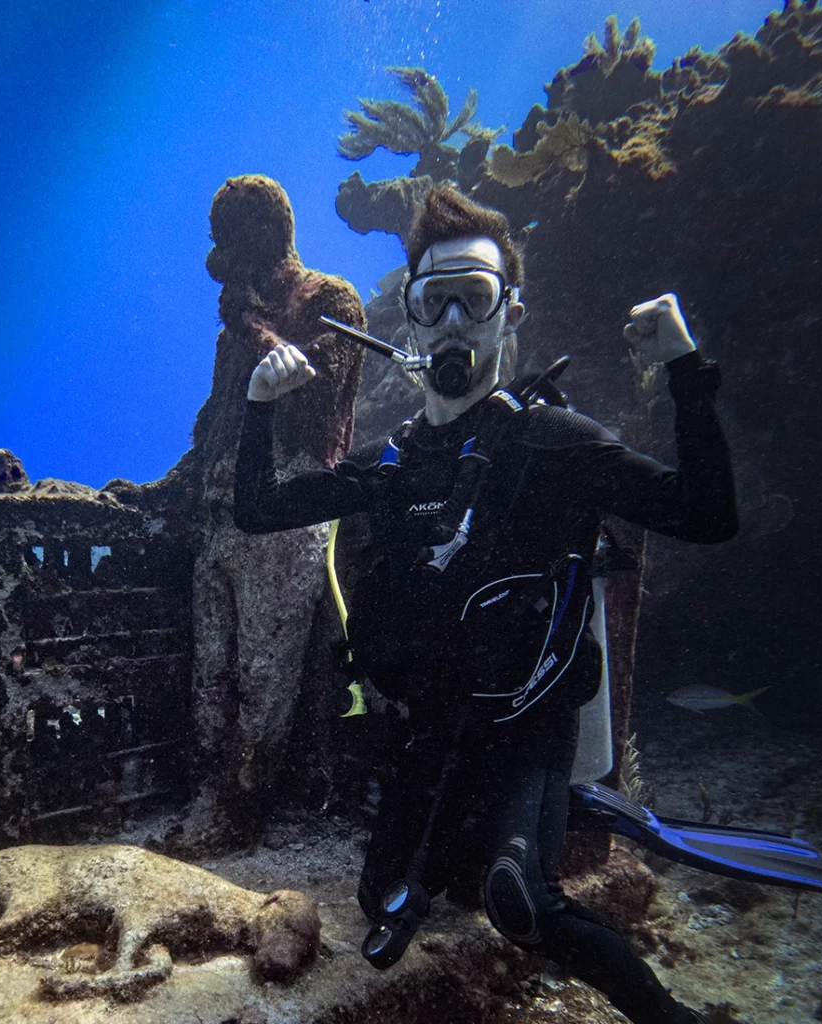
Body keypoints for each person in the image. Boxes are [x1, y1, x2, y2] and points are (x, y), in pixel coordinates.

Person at [233, 184, 736, 1024]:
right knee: (381, 897)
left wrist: (686, 370)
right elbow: (257, 509)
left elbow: (706, 515)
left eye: (479, 295)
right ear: (414, 323)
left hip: (527, 724)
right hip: (431, 723)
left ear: (512, 314)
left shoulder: (559, 445)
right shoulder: (391, 462)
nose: (459, 318)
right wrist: (258, 408)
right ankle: (499, 829)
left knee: (520, 903)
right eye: (438, 299)